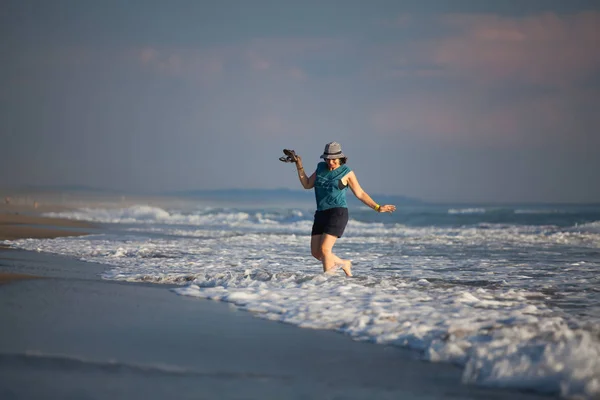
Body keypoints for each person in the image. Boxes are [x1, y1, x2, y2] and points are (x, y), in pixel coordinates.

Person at [284, 142, 396, 277]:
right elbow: (307, 184)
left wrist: (377, 207)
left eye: (334, 159)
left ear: (340, 158)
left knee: (325, 250)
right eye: (328, 159)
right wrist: (298, 164)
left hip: (337, 212)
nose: (330, 162)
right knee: (316, 253)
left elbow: (360, 193)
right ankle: (343, 263)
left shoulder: (346, 172)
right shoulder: (320, 167)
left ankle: (328, 284)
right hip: (321, 213)